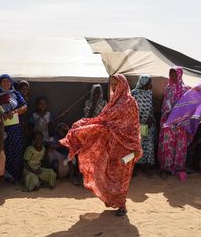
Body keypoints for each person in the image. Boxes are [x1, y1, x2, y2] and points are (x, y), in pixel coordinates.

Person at [60, 74, 142, 217]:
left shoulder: (130, 102)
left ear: (123, 84)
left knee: (122, 176)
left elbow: (134, 126)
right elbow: (103, 120)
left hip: (128, 148)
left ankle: (122, 205)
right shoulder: (112, 103)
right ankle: (112, 200)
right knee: (108, 173)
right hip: (112, 147)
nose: (114, 87)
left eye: (116, 84)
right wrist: (84, 126)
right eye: (112, 84)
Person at [0, 74, 27, 182]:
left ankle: (14, 176)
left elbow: (24, 107)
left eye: (8, 81)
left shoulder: (16, 94)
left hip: (14, 127)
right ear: (0, 83)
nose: (6, 83)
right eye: (3, 81)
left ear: (11, 82)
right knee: (2, 151)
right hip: (0, 127)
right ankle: (2, 177)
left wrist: (14, 111)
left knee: (16, 150)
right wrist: (1, 114)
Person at [157, 67, 189, 178]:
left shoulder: (185, 89)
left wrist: (177, 116)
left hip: (179, 123)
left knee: (178, 144)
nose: (173, 77)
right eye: (171, 75)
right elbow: (164, 104)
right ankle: (166, 167)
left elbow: (186, 107)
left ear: (180, 75)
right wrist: (167, 112)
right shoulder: (168, 88)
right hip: (167, 121)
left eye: (175, 75)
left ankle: (177, 167)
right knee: (167, 144)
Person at [131, 75, 156, 169]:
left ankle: (147, 165)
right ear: (144, 83)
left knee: (149, 144)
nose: (151, 85)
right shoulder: (134, 93)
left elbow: (150, 109)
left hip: (148, 126)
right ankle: (135, 165)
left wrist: (151, 119)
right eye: (150, 83)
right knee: (136, 145)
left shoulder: (149, 94)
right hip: (136, 125)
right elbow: (131, 109)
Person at [16, 80, 32, 145]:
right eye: (23, 89)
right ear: (18, 90)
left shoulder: (27, 99)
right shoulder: (15, 99)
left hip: (25, 122)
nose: (25, 91)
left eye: (27, 89)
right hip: (17, 122)